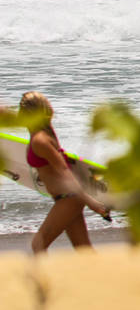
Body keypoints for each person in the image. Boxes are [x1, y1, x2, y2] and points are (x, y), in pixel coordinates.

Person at [18, 92, 111, 253]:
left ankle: (44, 279)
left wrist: (91, 202)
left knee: (38, 245)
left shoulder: (40, 140)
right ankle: (108, 277)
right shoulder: (43, 134)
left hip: (69, 198)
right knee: (84, 250)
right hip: (67, 199)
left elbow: (64, 171)